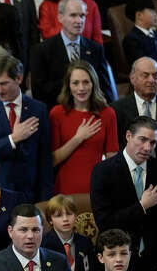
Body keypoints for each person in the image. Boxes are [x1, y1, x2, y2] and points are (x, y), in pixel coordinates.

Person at [90, 116, 157, 271]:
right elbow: (105, 222)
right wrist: (141, 206)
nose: (147, 148)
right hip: (119, 261)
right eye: (142, 140)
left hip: (154, 266)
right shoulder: (103, 171)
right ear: (128, 136)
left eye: (152, 143)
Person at [0, 55, 51, 202]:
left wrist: (45, 200)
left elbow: (44, 159)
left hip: (31, 194)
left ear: (19, 79)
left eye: (4, 84)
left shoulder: (38, 109)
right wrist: (12, 139)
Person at [30, 0, 115, 111]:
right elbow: (39, 92)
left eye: (82, 16)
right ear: (60, 18)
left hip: (91, 111)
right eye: (73, 15)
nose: (79, 20)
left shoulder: (95, 49)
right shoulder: (42, 51)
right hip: (57, 112)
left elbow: (105, 88)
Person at [50, 60, 118, 195]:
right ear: (68, 85)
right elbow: (53, 160)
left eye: (86, 82)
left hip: (98, 187)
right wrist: (78, 138)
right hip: (65, 189)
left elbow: (112, 157)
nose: (81, 88)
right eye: (75, 83)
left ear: (93, 84)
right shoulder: (56, 113)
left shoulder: (107, 113)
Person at [111, 57, 157, 166]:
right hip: (130, 172)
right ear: (132, 78)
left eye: (155, 75)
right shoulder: (117, 109)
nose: (151, 80)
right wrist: (153, 141)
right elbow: (116, 150)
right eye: (145, 75)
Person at [41, 194, 98, 271]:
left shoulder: (85, 242)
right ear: (50, 220)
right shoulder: (44, 245)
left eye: (69, 214)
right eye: (59, 216)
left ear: (75, 215)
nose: (65, 219)